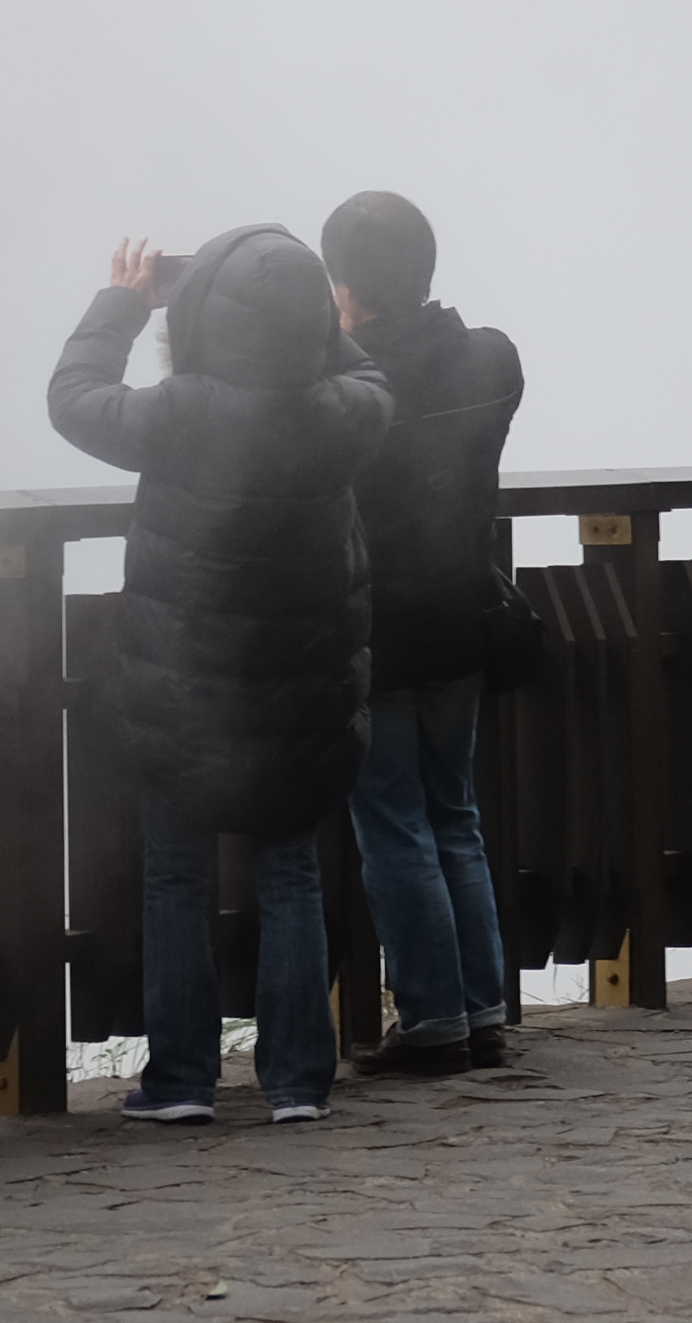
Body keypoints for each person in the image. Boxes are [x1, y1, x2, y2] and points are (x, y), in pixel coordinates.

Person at [46, 226, 390, 1123]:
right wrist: (301, 309)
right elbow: (370, 378)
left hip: (187, 696)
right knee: (290, 874)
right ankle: (296, 1083)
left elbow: (74, 396)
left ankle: (183, 1081)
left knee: (176, 877)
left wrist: (124, 301)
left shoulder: (182, 409)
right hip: (302, 694)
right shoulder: (343, 411)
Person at [325, 190, 525, 1076]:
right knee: (456, 813)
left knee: (395, 822)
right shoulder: (490, 360)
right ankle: (482, 1011)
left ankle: (435, 1020)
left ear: (343, 283)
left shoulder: (345, 382)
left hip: (376, 625)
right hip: (463, 618)